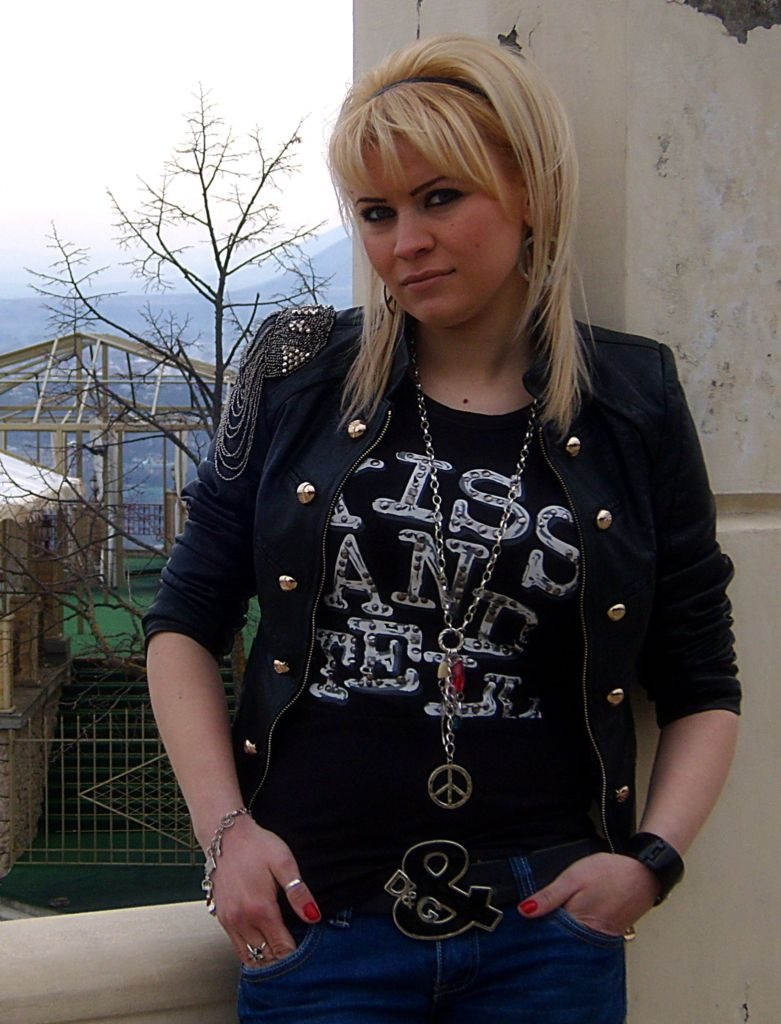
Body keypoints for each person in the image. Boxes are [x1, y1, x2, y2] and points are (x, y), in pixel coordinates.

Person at [143, 33, 740, 1024]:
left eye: (439, 198)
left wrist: (650, 863)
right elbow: (182, 620)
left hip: (544, 936)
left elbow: (701, 678)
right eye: (377, 213)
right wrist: (226, 835)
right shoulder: (300, 374)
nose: (404, 242)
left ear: (529, 192)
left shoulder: (631, 400)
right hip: (321, 920)